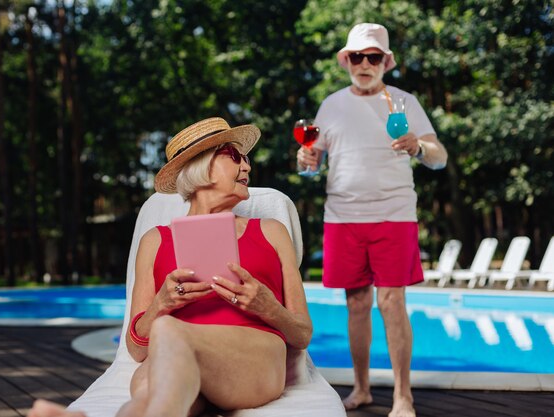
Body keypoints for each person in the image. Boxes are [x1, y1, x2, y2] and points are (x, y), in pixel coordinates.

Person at [27, 117, 314, 417]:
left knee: (168, 337)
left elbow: (303, 333)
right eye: (235, 156)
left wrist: (267, 306)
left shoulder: (270, 231)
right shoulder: (155, 240)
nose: (247, 167)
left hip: (254, 358)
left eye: (246, 159)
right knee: (152, 401)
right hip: (173, 358)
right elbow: (137, 349)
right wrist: (160, 306)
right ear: (203, 166)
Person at [297, 23, 448, 417]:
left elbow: (439, 156)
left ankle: (403, 397)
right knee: (357, 304)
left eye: (374, 56)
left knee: (393, 301)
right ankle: (361, 389)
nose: (365, 64)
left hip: (394, 215)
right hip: (342, 218)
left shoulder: (403, 101)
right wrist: (307, 163)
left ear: (386, 62)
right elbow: (313, 162)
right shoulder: (330, 105)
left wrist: (419, 146)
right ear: (346, 60)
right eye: (357, 57)